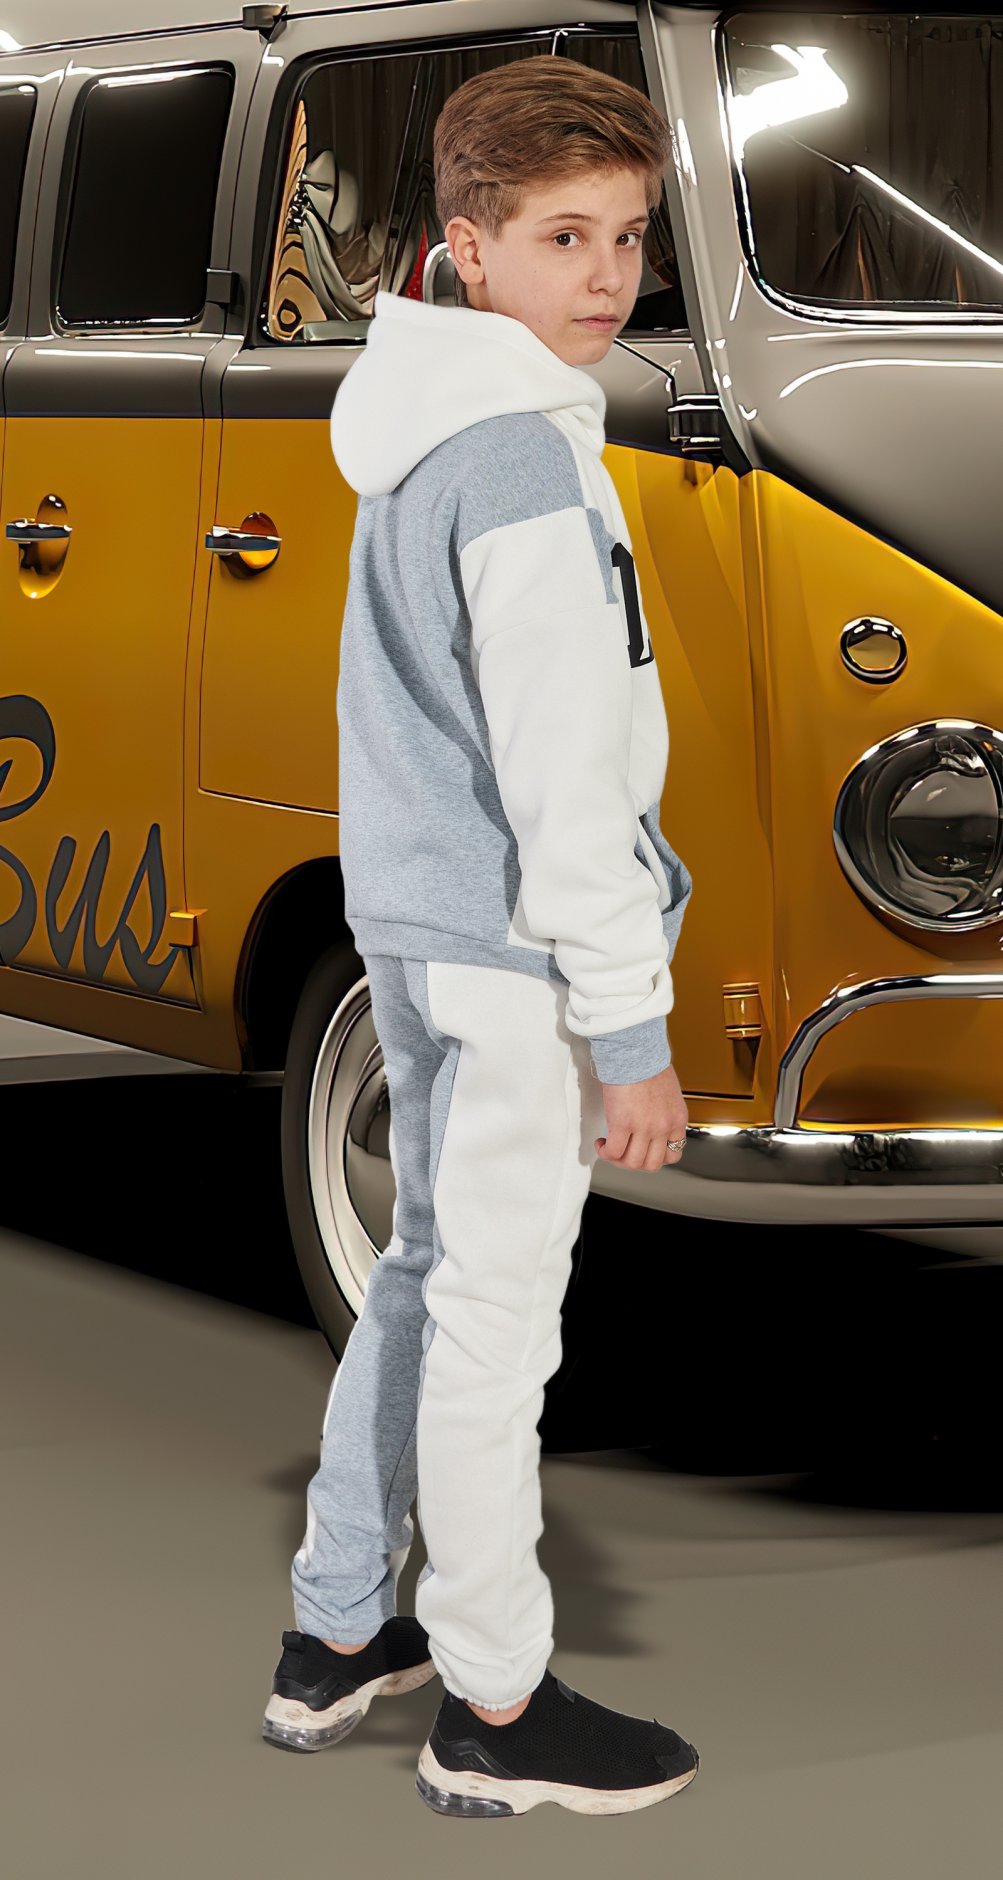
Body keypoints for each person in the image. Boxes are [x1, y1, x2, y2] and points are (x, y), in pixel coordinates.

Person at [262, 53, 699, 1819]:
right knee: (499, 1326)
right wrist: (632, 1029)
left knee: (430, 1274)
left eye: (631, 237)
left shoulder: (424, 415)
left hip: (418, 923)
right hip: (511, 948)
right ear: (468, 241)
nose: (608, 276)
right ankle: (496, 1708)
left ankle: (334, 1628)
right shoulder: (518, 454)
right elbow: (562, 777)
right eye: (564, 237)